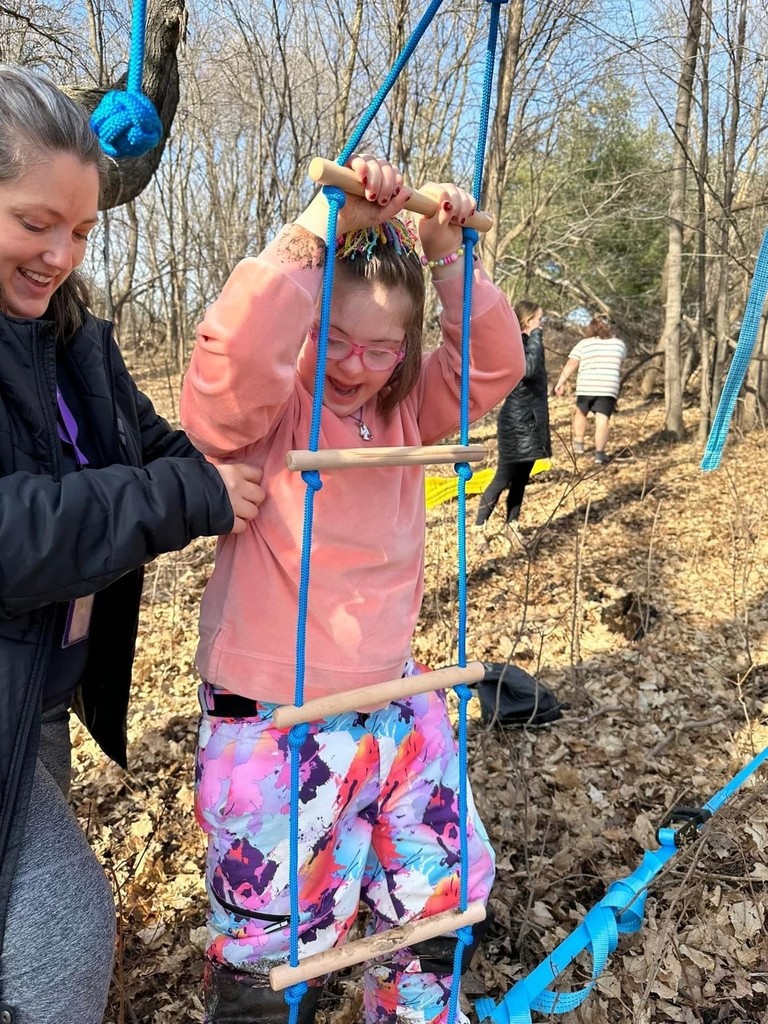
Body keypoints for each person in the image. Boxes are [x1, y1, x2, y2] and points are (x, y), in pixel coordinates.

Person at [180, 154, 524, 1024]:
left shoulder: (407, 409)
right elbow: (224, 380)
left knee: (436, 896)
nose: (355, 364)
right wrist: (311, 237)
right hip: (274, 711)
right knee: (277, 934)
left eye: (380, 347)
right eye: (334, 338)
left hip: (396, 699)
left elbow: (494, 369)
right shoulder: (274, 405)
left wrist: (449, 257)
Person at [0, 65, 266, 1024]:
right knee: (61, 933)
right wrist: (185, 494)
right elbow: (14, 531)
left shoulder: (71, 338)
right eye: (35, 223)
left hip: (36, 689)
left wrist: (238, 462)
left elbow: (148, 444)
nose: (60, 255)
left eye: (79, 230)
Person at [474, 299, 550, 536]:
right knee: (503, 477)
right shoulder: (517, 343)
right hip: (516, 422)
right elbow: (527, 369)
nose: (542, 325)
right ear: (528, 322)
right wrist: (535, 336)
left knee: (522, 478)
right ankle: (479, 528)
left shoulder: (531, 342)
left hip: (532, 418)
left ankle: (512, 525)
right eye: (539, 320)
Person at [554, 315, 627, 464]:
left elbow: (571, 364)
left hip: (586, 386)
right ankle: (599, 453)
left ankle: (578, 443)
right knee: (602, 420)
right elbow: (621, 362)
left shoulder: (584, 344)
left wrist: (560, 382)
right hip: (608, 387)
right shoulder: (619, 345)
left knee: (581, 413)